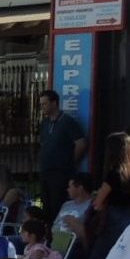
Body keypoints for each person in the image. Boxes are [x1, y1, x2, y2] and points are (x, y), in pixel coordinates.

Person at [37, 89, 87, 220]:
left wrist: (70, 161)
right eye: (41, 104)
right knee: (46, 206)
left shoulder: (67, 122)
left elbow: (80, 143)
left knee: (56, 205)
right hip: (45, 171)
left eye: (44, 104)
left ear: (54, 103)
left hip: (60, 172)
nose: (42, 107)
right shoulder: (45, 123)